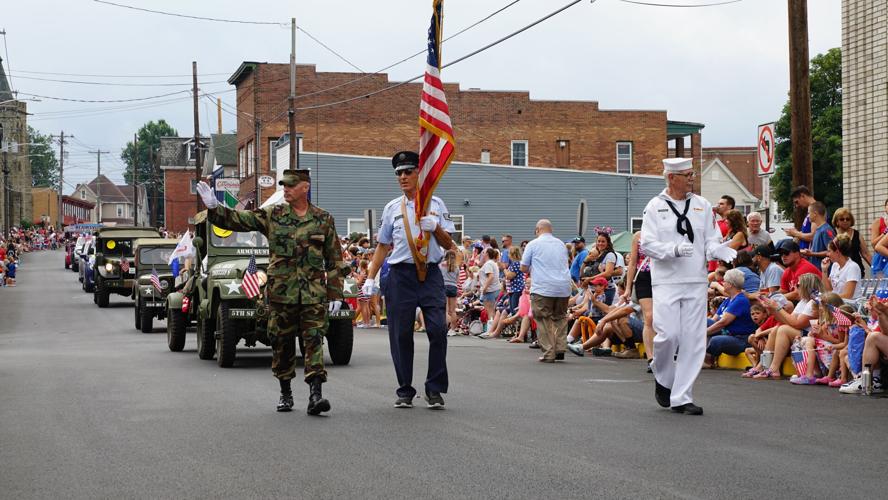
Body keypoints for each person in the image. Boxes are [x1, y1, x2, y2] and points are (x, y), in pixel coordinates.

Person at [195, 170, 349, 416]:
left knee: (314, 340)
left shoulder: (323, 219)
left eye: (291, 185)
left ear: (305, 187)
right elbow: (239, 220)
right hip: (281, 295)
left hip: (312, 294)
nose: (286, 189)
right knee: (281, 343)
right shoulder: (273, 215)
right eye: (284, 185)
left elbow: (334, 261)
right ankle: (285, 392)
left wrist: (336, 294)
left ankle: (315, 394)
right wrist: (215, 208)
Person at [640, 157, 736, 415]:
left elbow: (711, 238)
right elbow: (646, 244)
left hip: (695, 279)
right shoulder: (655, 206)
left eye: (692, 174)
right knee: (668, 335)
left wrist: (717, 249)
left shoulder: (702, 205)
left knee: (694, 340)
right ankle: (663, 377)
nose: (692, 178)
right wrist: (672, 250)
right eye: (687, 175)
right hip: (667, 280)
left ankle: (682, 396)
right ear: (672, 177)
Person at [362, 151, 455, 409]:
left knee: (437, 330)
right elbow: (383, 245)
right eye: (398, 173)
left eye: (408, 172)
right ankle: (405, 389)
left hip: (430, 274)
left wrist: (435, 227)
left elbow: (449, 243)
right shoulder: (392, 207)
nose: (402, 177)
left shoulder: (437, 204)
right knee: (400, 334)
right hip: (401, 275)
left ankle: (434, 388)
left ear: (419, 174)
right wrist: (370, 277)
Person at [520, 219, 572, 363]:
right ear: (551, 229)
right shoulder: (561, 244)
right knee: (560, 317)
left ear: (537, 230)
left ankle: (549, 352)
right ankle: (560, 348)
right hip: (563, 286)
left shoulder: (533, 244)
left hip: (543, 287)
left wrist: (533, 267)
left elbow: (523, 267)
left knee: (543, 318)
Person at [705, 269, 756, 365]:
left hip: (740, 339)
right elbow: (714, 320)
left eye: (724, 281)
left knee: (716, 340)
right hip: (727, 333)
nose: (723, 283)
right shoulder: (728, 300)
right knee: (705, 322)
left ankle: (708, 359)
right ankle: (699, 354)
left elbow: (722, 323)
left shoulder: (740, 300)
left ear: (730, 284)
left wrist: (703, 333)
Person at [621, 231, 655, 371]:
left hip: (664, 277)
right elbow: (633, 263)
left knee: (663, 319)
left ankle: (663, 355)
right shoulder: (638, 236)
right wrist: (628, 288)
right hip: (644, 277)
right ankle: (651, 359)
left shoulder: (667, 231)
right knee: (649, 317)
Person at [776, 238, 822, 303]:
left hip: (819, 301)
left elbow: (797, 294)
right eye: (781, 253)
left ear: (797, 254)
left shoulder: (804, 268)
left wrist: (776, 298)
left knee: (786, 305)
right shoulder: (788, 271)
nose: (783, 256)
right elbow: (783, 290)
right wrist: (770, 296)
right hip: (806, 301)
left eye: (786, 253)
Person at [820, 234, 862, 300]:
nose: (827, 254)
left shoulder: (852, 267)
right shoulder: (835, 265)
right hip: (836, 303)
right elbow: (828, 289)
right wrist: (824, 270)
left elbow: (848, 295)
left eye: (829, 251)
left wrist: (827, 298)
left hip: (850, 304)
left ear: (837, 252)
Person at [831, 207, 870, 275]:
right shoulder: (832, 234)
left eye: (848, 219)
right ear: (836, 221)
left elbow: (866, 254)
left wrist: (876, 269)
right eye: (842, 219)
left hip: (857, 271)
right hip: (839, 273)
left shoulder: (857, 234)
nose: (845, 221)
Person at [783, 186, 820, 250]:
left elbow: (814, 236)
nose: (797, 206)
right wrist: (796, 233)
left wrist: (795, 233)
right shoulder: (811, 211)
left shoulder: (816, 210)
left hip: (810, 254)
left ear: (803, 196)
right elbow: (808, 232)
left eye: (797, 202)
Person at [801, 201, 835, 269]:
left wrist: (812, 254)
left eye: (809, 213)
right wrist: (808, 253)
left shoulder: (826, 230)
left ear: (815, 214)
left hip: (824, 271)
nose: (808, 216)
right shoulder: (818, 229)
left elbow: (832, 251)